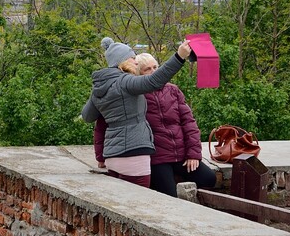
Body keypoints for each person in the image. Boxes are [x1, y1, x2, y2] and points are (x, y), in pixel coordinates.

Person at [93, 52, 217, 197]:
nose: (154, 71)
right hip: (157, 158)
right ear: (138, 72)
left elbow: (189, 123)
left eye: (155, 67)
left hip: (181, 155)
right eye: (147, 69)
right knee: (168, 195)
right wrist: (100, 157)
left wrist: (193, 154)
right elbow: (103, 126)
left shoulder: (172, 90)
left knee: (209, 178)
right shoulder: (131, 93)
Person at [81, 37, 191, 188]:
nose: (136, 62)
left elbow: (87, 116)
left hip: (112, 156)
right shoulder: (125, 81)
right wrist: (179, 57)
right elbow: (154, 81)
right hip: (133, 154)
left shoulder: (99, 88)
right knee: (140, 205)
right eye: (133, 58)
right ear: (122, 61)